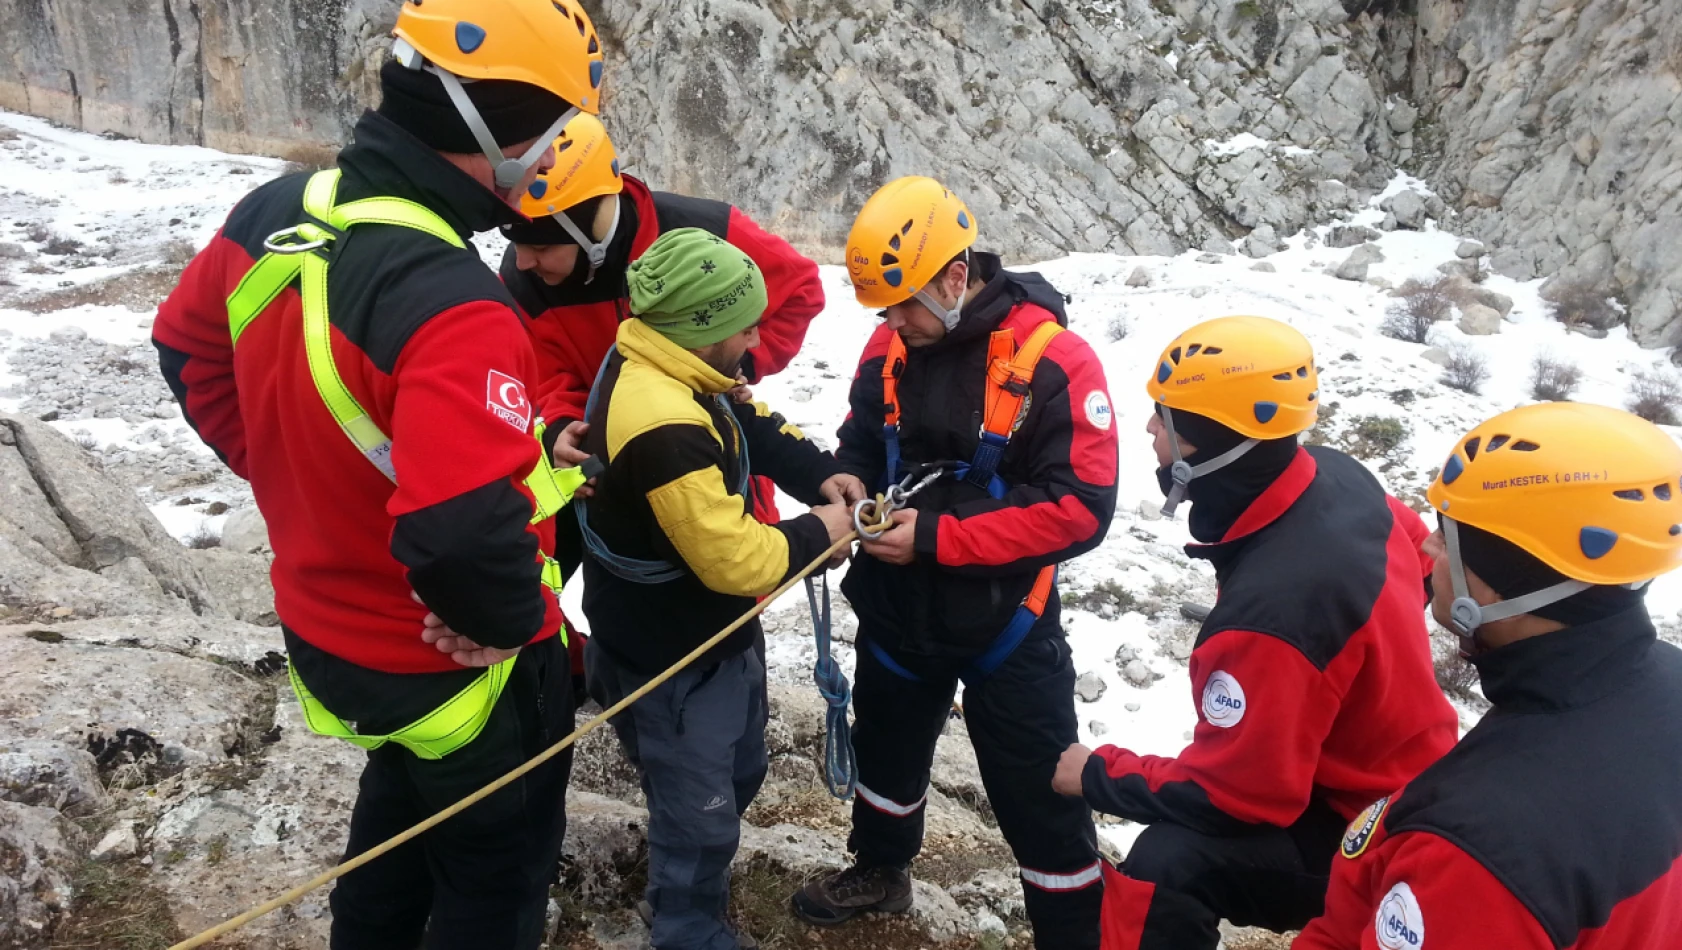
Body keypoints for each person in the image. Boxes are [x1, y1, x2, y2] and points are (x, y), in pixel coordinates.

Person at [150, 1, 606, 946]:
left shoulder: (278, 211)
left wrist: (291, 479)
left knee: (395, 821)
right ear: (502, 123)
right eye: (559, 125)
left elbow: (187, 351)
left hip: (330, 642)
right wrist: (513, 627)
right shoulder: (456, 305)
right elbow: (460, 535)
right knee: (496, 877)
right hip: (453, 670)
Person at [1051, 316, 1459, 950]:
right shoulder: (1336, 476)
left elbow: (1238, 796)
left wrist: (1096, 772)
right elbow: (1424, 563)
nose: (1151, 428)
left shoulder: (1276, 613)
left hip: (1369, 830)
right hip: (1417, 778)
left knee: (1166, 866)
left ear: (1209, 446)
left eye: (1166, 418)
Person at [790, 176, 1119, 950]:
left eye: (905, 302)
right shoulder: (891, 347)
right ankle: (881, 867)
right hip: (898, 611)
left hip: (1009, 622)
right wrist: (849, 486)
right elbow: (866, 440)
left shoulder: (1054, 363)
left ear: (955, 275)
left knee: (1041, 795)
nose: (894, 321)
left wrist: (937, 540)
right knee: (887, 751)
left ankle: (1072, 935)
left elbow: (1078, 509)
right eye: (884, 307)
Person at [1295, 402, 1682, 950]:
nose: (1427, 545)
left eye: (1449, 536)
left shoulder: (1480, 848)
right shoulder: (1663, 682)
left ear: (1500, 587)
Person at [576, 228, 861, 950]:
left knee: (737, 770)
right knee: (700, 815)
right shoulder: (662, 423)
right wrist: (825, 530)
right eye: (745, 326)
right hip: (670, 655)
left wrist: (815, 471)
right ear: (703, 331)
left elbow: (742, 418)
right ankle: (686, 929)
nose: (755, 340)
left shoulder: (662, 356)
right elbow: (734, 562)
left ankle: (690, 882)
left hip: (710, 639)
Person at [499, 112, 823, 522]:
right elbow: (543, 374)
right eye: (514, 242)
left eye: (540, 247)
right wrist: (563, 426)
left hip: (705, 445)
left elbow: (800, 290)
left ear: (587, 229)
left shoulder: (705, 232)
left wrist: (734, 363)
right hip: (605, 463)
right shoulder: (522, 279)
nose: (522, 261)